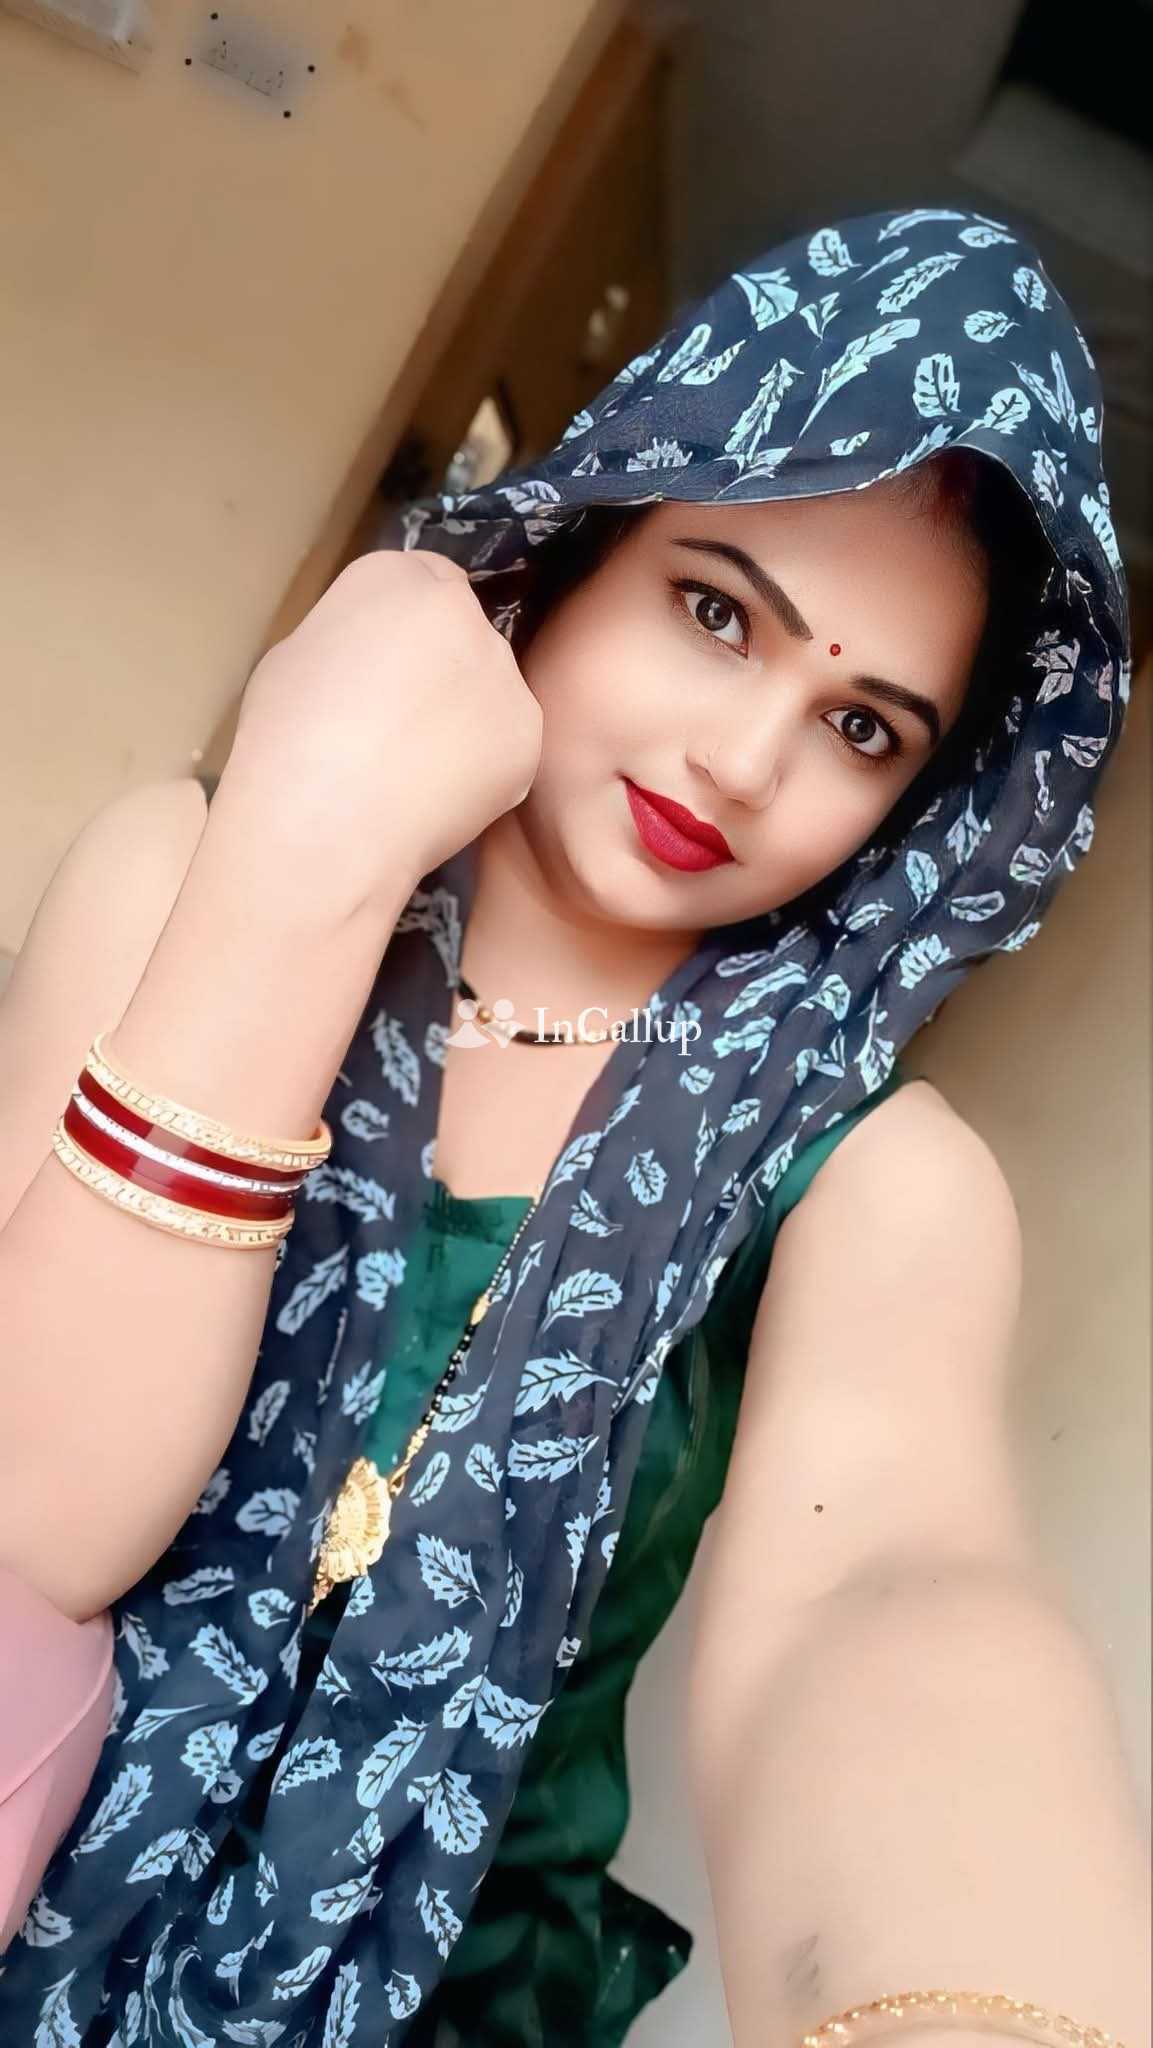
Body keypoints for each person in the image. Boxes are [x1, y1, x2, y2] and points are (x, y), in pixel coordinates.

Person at [0, 206, 1147, 2046]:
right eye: (715, 612)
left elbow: (888, 1587)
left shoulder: (871, 1177)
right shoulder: (184, 875)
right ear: (577, 545)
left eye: (862, 729)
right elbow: (32, 1511)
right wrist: (304, 860)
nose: (742, 763)